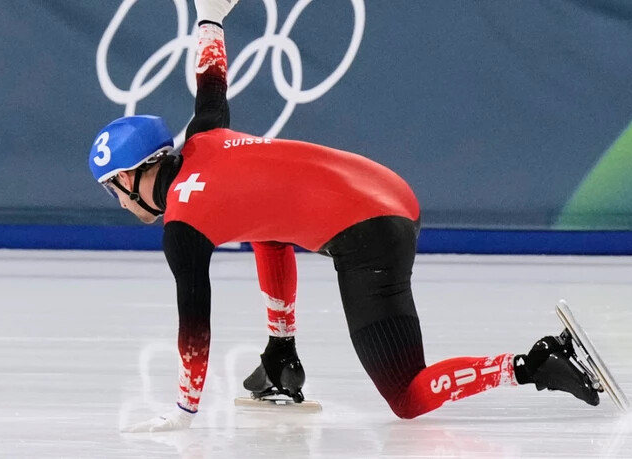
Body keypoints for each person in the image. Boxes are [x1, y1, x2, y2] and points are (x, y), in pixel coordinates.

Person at [90, 0, 599, 433]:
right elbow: (211, 81)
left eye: (115, 190)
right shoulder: (203, 137)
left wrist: (184, 411)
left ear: (134, 176)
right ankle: (280, 360)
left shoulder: (183, 226)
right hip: (382, 188)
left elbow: (195, 328)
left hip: (370, 232)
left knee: (407, 395)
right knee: (266, 230)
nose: (119, 202)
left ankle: (534, 364)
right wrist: (209, 18)